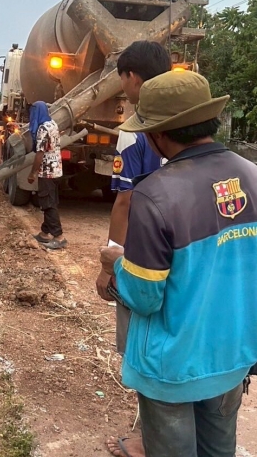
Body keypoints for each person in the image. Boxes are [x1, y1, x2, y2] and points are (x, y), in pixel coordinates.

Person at [99, 71, 257, 457]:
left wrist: (116, 265)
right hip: (234, 353)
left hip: (173, 366)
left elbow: (145, 296)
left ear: (158, 134)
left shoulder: (154, 194)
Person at [100, 41, 171, 457]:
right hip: (182, 248)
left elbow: (124, 201)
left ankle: (147, 438)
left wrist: (109, 265)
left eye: (122, 79)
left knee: (142, 344)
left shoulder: (135, 129)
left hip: (144, 254)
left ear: (131, 76)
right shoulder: (188, 121)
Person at [27, 101, 67, 250]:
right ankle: (44, 233)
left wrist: (33, 173)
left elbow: (40, 153)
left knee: (48, 204)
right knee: (50, 201)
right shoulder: (52, 124)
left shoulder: (42, 128)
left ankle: (59, 237)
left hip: (47, 172)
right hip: (57, 170)